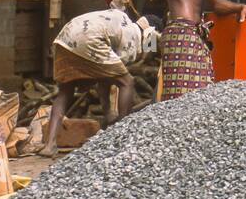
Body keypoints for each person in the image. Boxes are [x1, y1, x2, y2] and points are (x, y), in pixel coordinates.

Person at [39, 10, 160, 157]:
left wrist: (107, 111)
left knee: (65, 91)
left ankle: (49, 145)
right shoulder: (132, 36)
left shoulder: (120, 18)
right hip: (88, 38)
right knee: (127, 82)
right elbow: (115, 78)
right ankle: (122, 134)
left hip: (64, 39)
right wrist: (110, 112)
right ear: (150, 35)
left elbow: (106, 76)